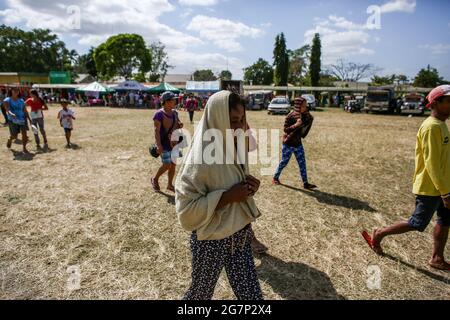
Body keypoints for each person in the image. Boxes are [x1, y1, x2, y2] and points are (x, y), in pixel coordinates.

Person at [176, 91, 263, 300]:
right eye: (233, 121)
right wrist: (227, 197)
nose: (240, 127)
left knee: (252, 297)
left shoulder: (236, 145)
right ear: (217, 119)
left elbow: (236, 178)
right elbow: (186, 213)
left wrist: (250, 186)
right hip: (211, 241)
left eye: (242, 119)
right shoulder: (200, 160)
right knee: (199, 295)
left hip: (240, 234)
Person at [362, 85, 450, 271]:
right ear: (435, 103)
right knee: (417, 223)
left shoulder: (441, 125)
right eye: (449, 101)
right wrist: (445, 192)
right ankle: (380, 233)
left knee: (445, 220)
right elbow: (431, 163)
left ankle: (437, 258)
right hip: (430, 187)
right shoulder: (431, 128)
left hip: (444, 186)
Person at [273, 97, 317, 190]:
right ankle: (275, 178)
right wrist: (296, 125)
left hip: (298, 144)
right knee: (284, 162)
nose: (305, 107)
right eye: (303, 106)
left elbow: (308, 122)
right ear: (298, 105)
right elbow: (285, 129)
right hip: (288, 144)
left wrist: (308, 117)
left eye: (306, 106)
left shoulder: (304, 115)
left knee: (302, 164)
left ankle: (305, 183)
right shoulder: (290, 116)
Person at [151, 92, 184, 193]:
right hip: (164, 143)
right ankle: (155, 179)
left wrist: (179, 124)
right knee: (167, 165)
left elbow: (177, 123)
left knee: (173, 164)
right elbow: (156, 131)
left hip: (174, 143)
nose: (175, 101)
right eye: (173, 100)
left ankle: (170, 184)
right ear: (166, 102)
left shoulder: (175, 112)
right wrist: (159, 145)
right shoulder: (159, 114)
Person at [4, 88, 31, 153]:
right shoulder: (7, 100)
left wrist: (29, 119)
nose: (16, 91)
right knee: (14, 136)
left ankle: (24, 148)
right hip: (12, 120)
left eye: (17, 90)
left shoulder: (21, 100)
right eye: (14, 90)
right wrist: (11, 114)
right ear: (11, 91)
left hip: (22, 119)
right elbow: (7, 109)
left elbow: (25, 110)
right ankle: (10, 139)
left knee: (24, 134)